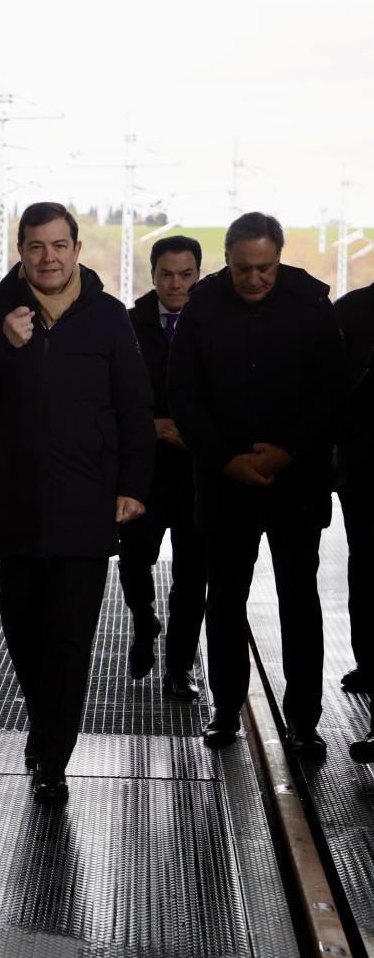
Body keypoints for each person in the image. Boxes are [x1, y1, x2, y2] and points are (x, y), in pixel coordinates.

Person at [0, 202, 154, 801]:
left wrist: (134, 486)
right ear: (21, 251)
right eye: (37, 246)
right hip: (15, 501)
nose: (49, 257)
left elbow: (134, 408)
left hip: (87, 502)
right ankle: (45, 723)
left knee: (69, 636)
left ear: (78, 249)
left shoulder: (110, 318)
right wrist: (0, 345)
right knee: (23, 627)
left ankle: (53, 758)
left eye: (60, 245)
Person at [169, 211, 348, 756]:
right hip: (225, 482)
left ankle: (303, 721)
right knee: (225, 598)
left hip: (296, 480)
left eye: (265, 268)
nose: (254, 279)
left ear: (280, 257)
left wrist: (287, 452)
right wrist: (226, 461)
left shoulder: (312, 306)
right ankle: (226, 709)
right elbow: (184, 396)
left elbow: (333, 393)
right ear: (225, 260)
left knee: (300, 600)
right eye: (243, 268)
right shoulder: (200, 310)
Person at [119, 235, 206, 697]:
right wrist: (152, 426)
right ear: (152, 275)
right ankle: (142, 620)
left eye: (186, 274)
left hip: (197, 473)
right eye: (167, 275)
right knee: (133, 560)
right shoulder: (129, 325)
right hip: (142, 469)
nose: (176, 284)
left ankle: (178, 668)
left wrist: (189, 433)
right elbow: (111, 394)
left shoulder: (212, 322)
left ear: (199, 273)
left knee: (193, 575)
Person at [333, 280, 374, 699]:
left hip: (360, 464)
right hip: (362, 468)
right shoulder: (348, 311)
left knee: (364, 563)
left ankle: (368, 661)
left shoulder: (349, 309)